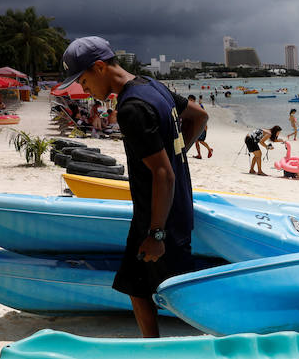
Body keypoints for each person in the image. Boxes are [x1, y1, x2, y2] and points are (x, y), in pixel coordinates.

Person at [59, 36, 207, 338]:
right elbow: (200, 116)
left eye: (83, 81)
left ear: (99, 67)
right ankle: (151, 348)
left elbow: (164, 174)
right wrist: (178, 151)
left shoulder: (131, 109)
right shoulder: (150, 85)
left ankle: (201, 352)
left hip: (161, 217)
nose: (83, 89)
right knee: (135, 285)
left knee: (183, 296)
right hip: (160, 211)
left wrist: (156, 233)